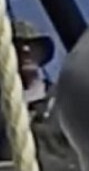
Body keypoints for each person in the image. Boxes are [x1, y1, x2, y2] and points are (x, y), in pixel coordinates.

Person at [0, 20, 79, 171]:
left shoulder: (67, 102)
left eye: (32, 44)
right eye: (16, 44)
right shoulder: (3, 113)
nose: (25, 49)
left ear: (42, 53)